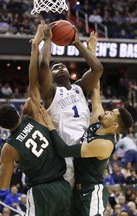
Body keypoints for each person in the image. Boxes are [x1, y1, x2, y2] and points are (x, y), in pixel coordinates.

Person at [0, 21, 74, 216]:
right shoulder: (34, 115)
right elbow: (34, 81)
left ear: (2, 127)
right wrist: (35, 46)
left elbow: (3, 184)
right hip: (63, 187)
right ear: (17, 113)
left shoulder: (9, 147)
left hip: (41, 193)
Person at [39, 38, 134, 216]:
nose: (106, 111)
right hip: (71, 173)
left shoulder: (104, 144)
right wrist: (91, 50)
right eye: (55, 68)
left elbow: (66, 149)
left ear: (114, 124)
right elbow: (96, 87)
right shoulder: (95, 123)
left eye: (111, 113)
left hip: (87, 184)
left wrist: (50, 125)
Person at [38, 22, 104, 188]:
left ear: (69, 73)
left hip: (86, 148)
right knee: (68, 198)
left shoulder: (80, 87)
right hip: (64, 154)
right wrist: (47, 40)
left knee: (85, 197)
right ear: (51, 77)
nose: (59, 67)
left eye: (62, 66)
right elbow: (43, 65)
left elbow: (97, 69)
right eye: (55, 68)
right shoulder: (50, 93)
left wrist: (78, 43)